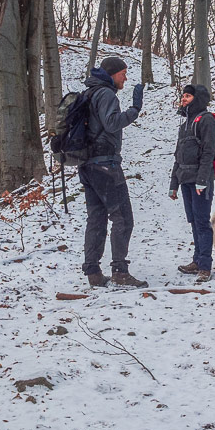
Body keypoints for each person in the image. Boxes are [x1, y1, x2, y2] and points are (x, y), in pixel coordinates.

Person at [79, 56, 145, 288]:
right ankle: (120, 271)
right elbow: (112, 123)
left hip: (87, 165)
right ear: (112, 73)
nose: (125, 77)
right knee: (123, 218)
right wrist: (135, 109)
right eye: (123, 73)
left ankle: (93, 273)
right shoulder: (106, 94)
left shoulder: (89, 93)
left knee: (96, 218)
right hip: (105, 165)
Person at [167, 83, 215, 277]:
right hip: (185, 180)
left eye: (188, 96)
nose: (183, 98)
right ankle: (197, 260)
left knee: (201, 222)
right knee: (194, 221)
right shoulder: (184, 125)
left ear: (197, 99)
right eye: (183, 95)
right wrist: (173, 185)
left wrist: (202, 180)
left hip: (201, 181)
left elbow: (209, 152)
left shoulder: (206, 120)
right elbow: (178, 156)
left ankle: (205, 266)